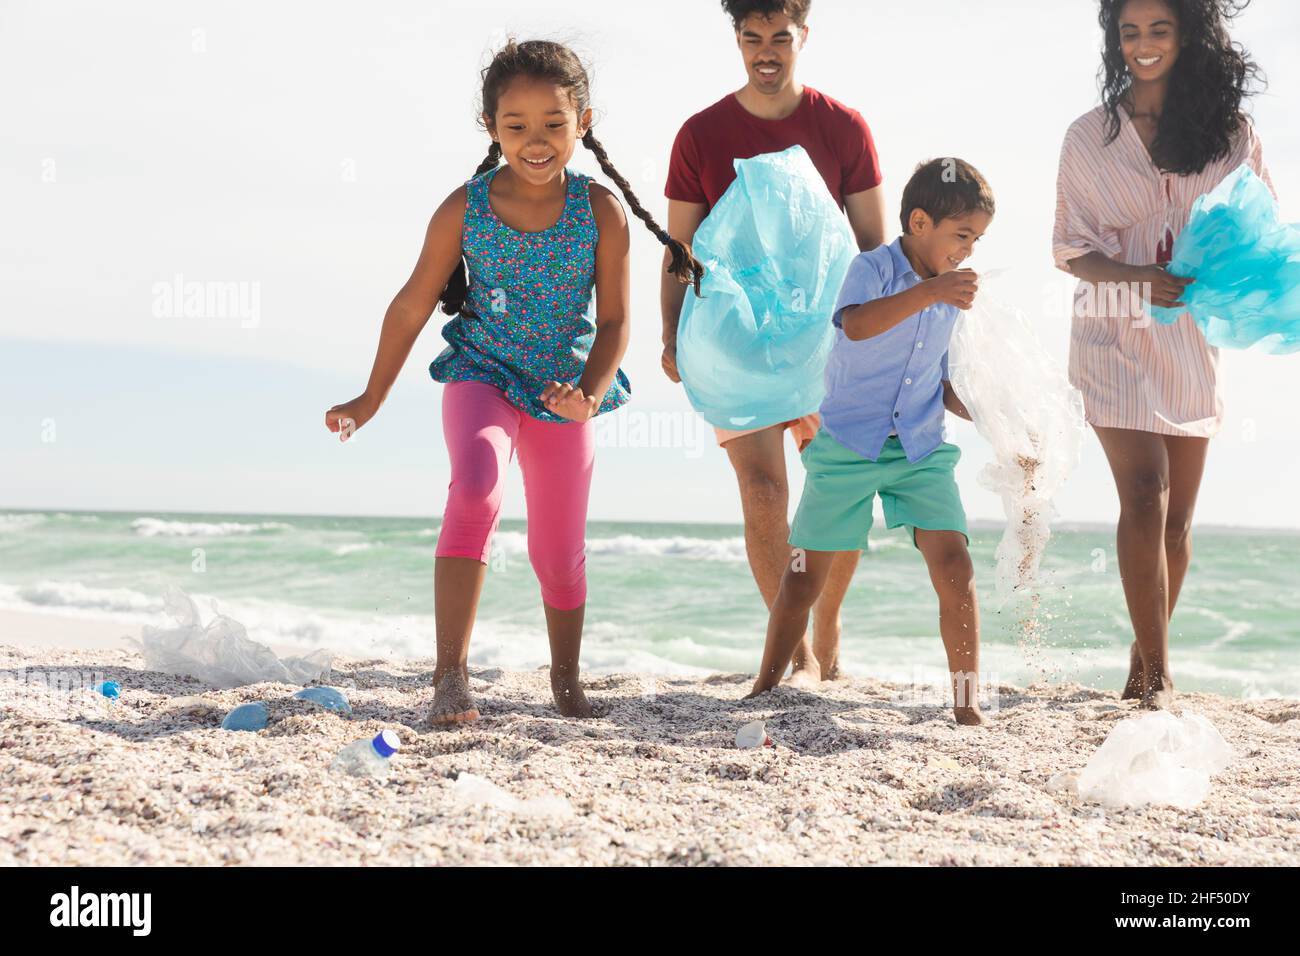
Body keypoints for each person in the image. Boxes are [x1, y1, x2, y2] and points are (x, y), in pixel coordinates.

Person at [325, 40, 702, 725]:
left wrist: (588, 393)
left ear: (582, 122)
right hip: (482, 375)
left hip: (565, 391)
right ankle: (449, 677)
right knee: (474, 489)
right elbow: (413, 302)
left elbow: (616, 321)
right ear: (491, 125)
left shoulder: (601, 212)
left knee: (557, 554)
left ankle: (565, 681)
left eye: (554, 124)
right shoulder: (462, 209)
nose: (536, 141)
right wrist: (370, 397)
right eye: (517, 125)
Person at [1053, 0, 1273, 708]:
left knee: (1177, 521)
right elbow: (1069, 250)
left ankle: (1143, 659)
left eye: (1159, 29)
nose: (1143, 45)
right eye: (1129, 31)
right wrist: (1138, 277)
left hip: (1189, 331)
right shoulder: (1089, 137)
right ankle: (1160, 674)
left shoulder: (1230, 133)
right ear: (1114, 41)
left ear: (1187, 35)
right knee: (1144, 494)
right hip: (1111, 325)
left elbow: (1258, 228)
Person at [661, 0, 888, 682]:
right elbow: (680, 248)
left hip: (825, 340)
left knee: (839, 489)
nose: (766, 51)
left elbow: (873, 244)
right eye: (752, 37)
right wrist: (670, 331)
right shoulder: (701, 134)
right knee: (763, 493)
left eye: (779, 38)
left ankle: (825, 617)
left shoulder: (842, 127)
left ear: (803, 37)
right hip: (734, 344)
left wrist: (882, 336)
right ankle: (796, 653)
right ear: (736, 39)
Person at [747, 158, 995, 726]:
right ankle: (766, 682)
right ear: (918, 222)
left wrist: (996, 419)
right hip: (847, 447)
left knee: (955, 565)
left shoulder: (949, 297)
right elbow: (856, 324)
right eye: (962, 236)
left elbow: (946, 381)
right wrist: (932, 291)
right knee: (805, 573)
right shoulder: (874, 269)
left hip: (921, 450)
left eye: (977, 240)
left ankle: (965, 699)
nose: (969, 251)